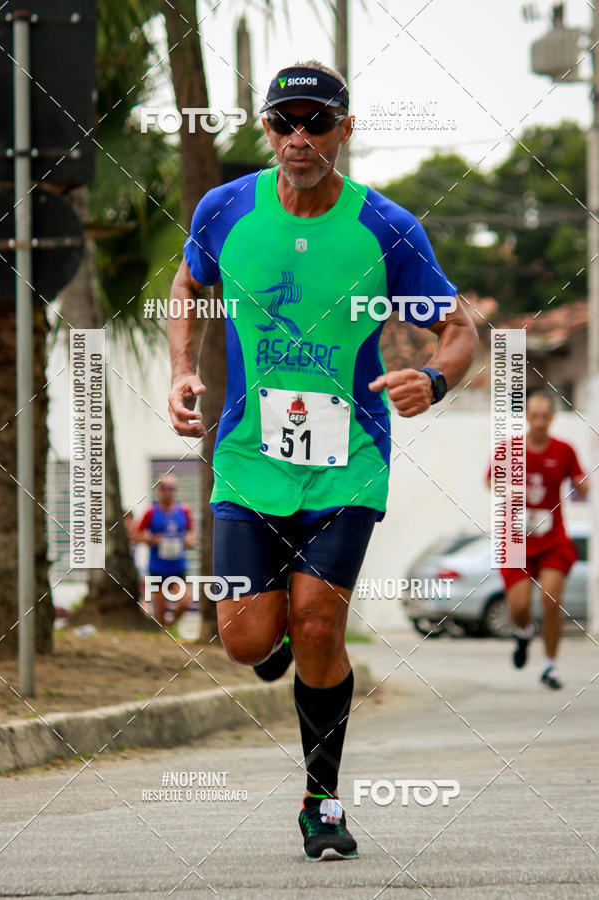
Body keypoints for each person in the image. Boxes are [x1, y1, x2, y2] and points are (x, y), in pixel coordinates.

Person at [167, 60, 477, 860]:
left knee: (316, 622)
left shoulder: (388, 228)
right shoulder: (225, 208)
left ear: (345, 128)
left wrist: (435, 379)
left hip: (348, 461)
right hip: (247, 454)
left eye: (316, 122)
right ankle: (272, 648)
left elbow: (461, 327)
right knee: (243, 639)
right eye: (283, 122)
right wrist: (181, 371)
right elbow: (187, 286)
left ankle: (322, 802)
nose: (299, 138)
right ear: (266, 130)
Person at [486, 389, 588, 689]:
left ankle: (550, 666)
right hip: (517, 539)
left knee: (551, 598)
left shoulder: (564, 450)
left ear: (552, 418)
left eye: (545, 416)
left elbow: (580, 480)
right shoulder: (510, 449)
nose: (540, 422)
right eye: (535, 416)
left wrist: (583, 486)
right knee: (517, 607)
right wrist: (507, 491)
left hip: (553, 539)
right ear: (526, 417)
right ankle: (524, 631)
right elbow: (491, 479)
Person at [133, 474, 196, 626]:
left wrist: (189, 540)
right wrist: (150, 540)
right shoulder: (151, 512)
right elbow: (135, 534)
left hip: (178, 567)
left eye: (171, 488)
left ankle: (171, 625)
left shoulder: (184, 511)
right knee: (160, 611)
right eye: (164, 488)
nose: (168, 492)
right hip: (158, 569)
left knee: (185, 602)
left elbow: (192, 531)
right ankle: (165, 634)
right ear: (159, 490)